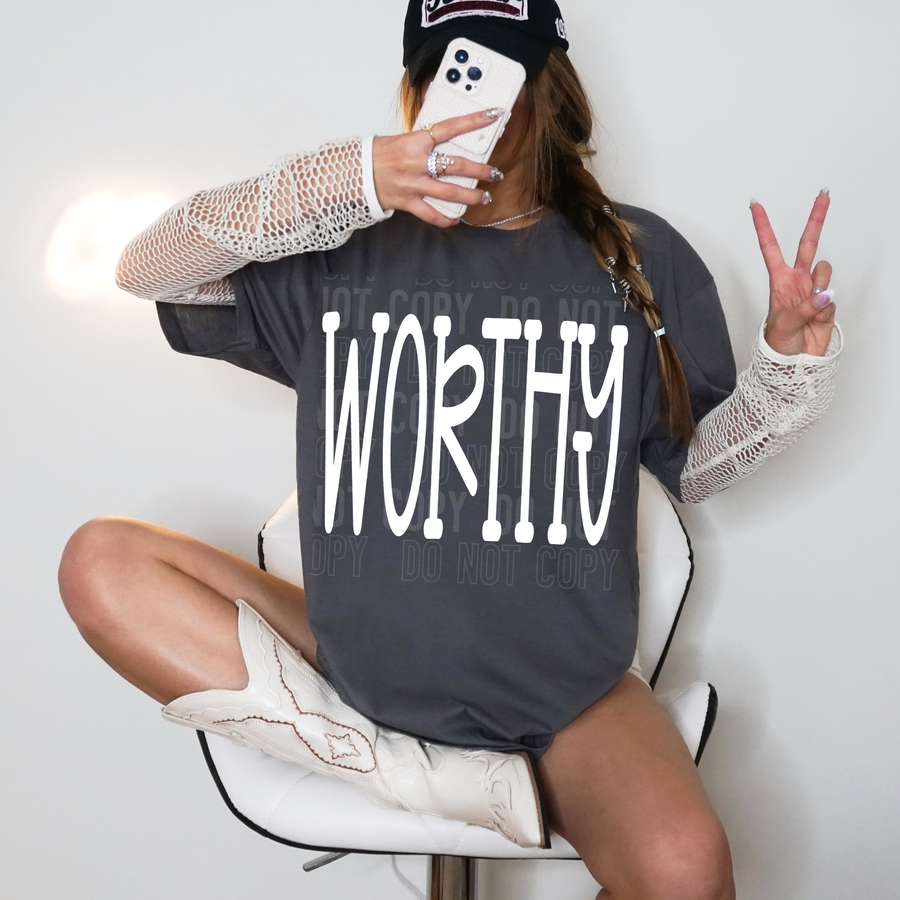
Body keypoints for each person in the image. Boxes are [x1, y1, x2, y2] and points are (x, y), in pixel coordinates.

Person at [57, 1, 842, 897]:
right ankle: (413, 777)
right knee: (100, 560)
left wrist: (789, 372)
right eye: (442, 75)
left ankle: (441, 777)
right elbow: (146, 267)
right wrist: (353, 178)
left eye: (496, 72)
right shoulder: (342, 247)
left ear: (547, 88)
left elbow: (694, 469)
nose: (473, 102)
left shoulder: (637, 256)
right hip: (356, 665)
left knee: (689, 872)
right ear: (414, 92)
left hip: (566, 693)